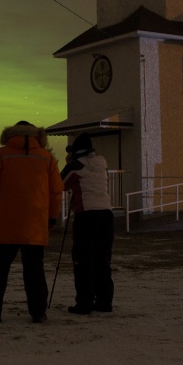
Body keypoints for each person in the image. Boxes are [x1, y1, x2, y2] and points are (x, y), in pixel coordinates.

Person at [0, 121, 64, 324]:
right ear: (37, 136)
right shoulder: (46, 158)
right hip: (35, 223)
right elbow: (56, 191)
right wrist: (52, 216)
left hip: (5, 221)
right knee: (34, 269)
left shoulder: (0, 155)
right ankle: (38, 312)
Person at [60, 132, 114, 315]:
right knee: (102, 259)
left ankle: (84, 302)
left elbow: (59, 184)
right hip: (106, 214)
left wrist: (68, 163)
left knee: (83, 260)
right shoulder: (101, 164)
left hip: (87, 215)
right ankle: (104, 301)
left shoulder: (75, 166)